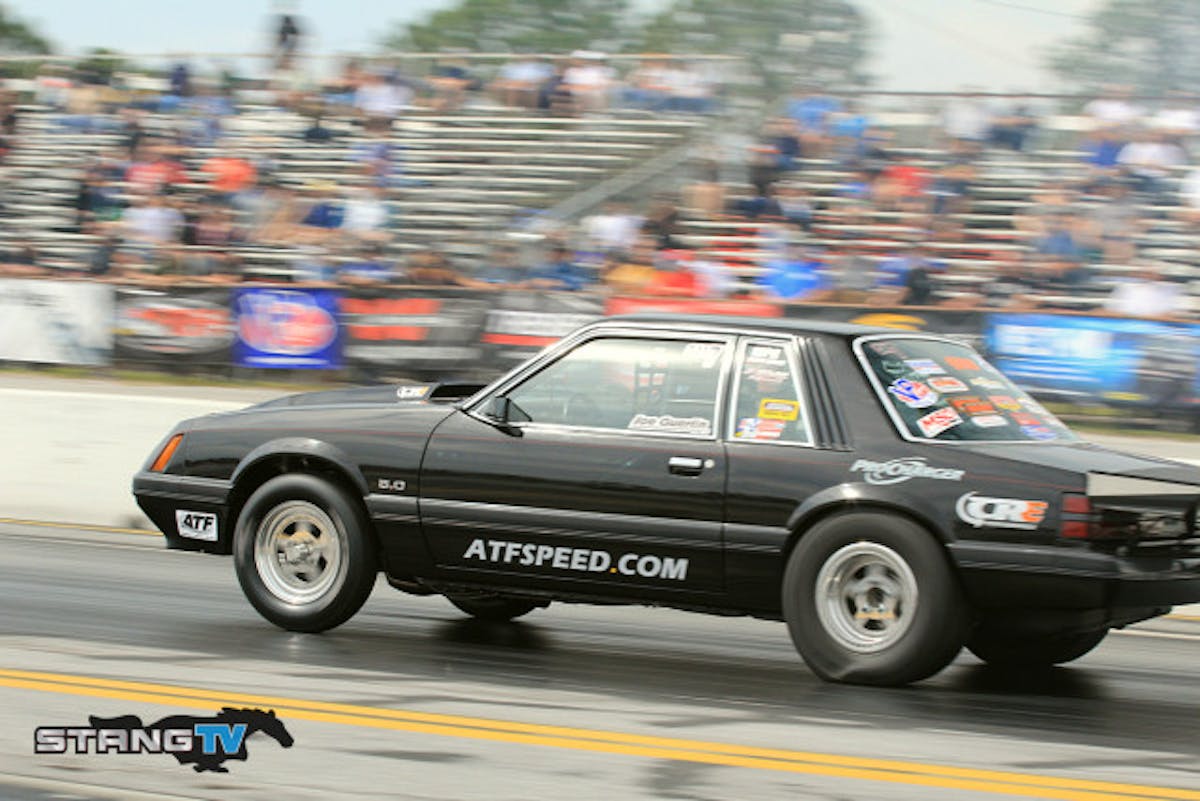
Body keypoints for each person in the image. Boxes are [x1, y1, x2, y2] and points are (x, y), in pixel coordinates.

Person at [757, 241, 834, 302]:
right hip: (778, 310)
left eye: (797, 246)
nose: (792, 249)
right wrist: (774, 299)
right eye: (790, 245)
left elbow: (827, 293)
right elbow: (758, 292)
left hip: (808, 311)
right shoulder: (773, 266)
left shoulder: (818, 267)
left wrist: (800, 300)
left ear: (805, 248)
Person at [1105, 262, 1186, 318]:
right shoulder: (1125, 288)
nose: (1146, 275)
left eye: (1151, 272)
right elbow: (1111, 310)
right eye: (1144, 272)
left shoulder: (1172, 289)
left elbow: (1174, 313)